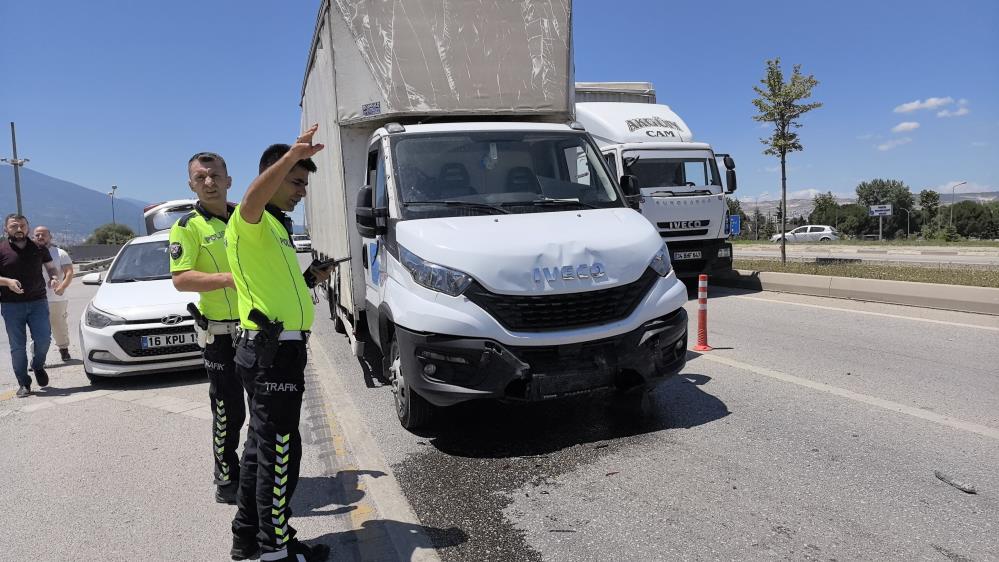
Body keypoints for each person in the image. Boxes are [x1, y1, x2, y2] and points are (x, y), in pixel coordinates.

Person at [225, 124, 331, 562]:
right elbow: (251, 197)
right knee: (280, 450)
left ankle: (248, 537)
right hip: (273, 355)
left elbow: (275, 291)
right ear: (272, 175)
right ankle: (276, 550)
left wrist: (310, 280)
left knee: (260, 447)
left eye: (305, 182)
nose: (302, 191)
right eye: (295, 181)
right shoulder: (249, 218)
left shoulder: (276, 228)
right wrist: (290, 155)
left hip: (274, 350)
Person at [169, 152, 245, 506]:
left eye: (215, 175)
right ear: (191, 185)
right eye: (201, 178)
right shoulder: (187, 227)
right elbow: (181, 279)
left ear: (229, 180)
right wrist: (231, 279)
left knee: (262, 409)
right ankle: (226, 477)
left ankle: (257, 472)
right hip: (219, 336)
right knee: (228, 412)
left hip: (258, 331)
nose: (209, 182)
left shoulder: (250, 218)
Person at [0, 214, 60, 397]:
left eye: (22, 225)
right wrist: (8, 282)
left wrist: (54, 277)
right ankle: (24, 383)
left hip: (38, 302)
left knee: (44, 339)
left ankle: (38, 365)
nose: (19, 229)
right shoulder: (1, 249)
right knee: (17, 346)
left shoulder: (39, 247)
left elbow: (50, 267)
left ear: (27, 227)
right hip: (11, 306)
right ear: (6, 229)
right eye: (14, 226)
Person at [33, 226, 74, 362]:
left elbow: (69, 273)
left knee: (59, 325)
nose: (40, 237)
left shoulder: (60, 253)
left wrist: (62, 287)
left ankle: (64, 349)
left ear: (50, 237)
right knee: (37, 329)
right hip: (36, 298)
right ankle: (38, 357)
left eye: (43, 235)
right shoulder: (30, 253)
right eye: (37, 235)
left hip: (57, 298)